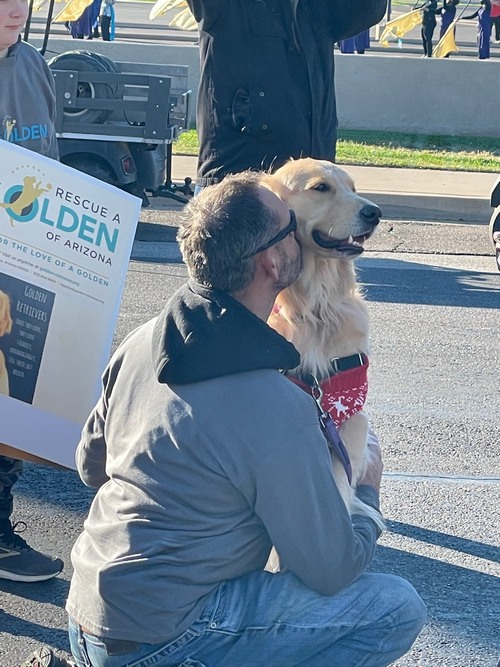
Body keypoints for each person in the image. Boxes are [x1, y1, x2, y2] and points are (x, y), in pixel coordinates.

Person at [22, 172, 425, 667]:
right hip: (165, 638)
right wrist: (366, 494)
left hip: (85, 618)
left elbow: (91, 467)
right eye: (290, 226)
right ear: (272, 261)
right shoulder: (276, 403)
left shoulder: (143, 339)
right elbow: (332, 569)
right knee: (395, 607)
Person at [185, 1, 386, 190]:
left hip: (312, 180)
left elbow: (365, 10)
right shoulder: (228, 7)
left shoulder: (316, 8)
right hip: (240, 172)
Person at [0, 0, 63, 583]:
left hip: (26, 267)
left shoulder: (33, 65)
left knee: (12, 408)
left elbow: (51, 169)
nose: (16, 7)